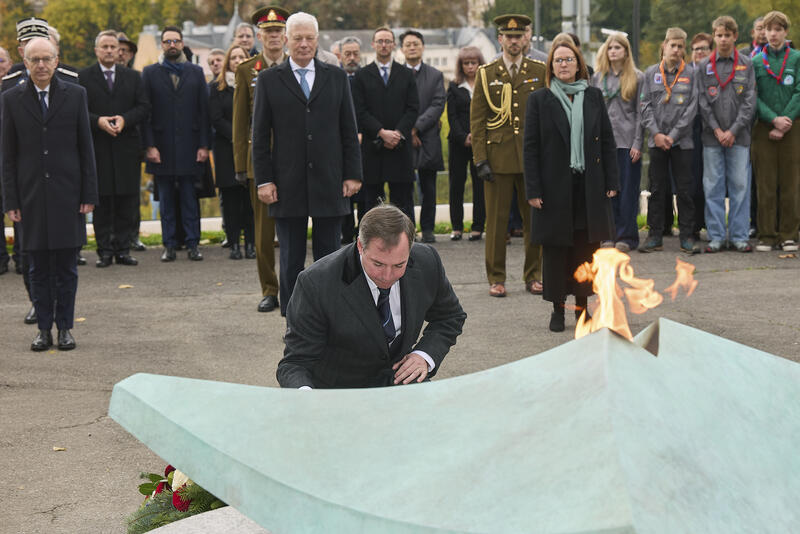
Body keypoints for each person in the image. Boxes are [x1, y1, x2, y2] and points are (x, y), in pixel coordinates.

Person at [276, 204, 466, 389]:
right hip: (338, 391)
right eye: (378, 264)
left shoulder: (427, 261)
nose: (387, 276)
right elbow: (295, 363)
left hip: (401, 380)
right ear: (360, 246)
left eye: (399, 265)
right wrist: (307, 399)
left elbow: (450, 316)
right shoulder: (316, 283)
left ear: (410, 249)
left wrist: (424, 355)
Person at [252, 12, 362, 316]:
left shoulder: (336, 76)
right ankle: (295, 320)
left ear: (317, 40)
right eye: (297, 38)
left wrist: (353, 174)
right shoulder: (269, 79)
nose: (303, 44)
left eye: (309, 38)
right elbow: (259, 135)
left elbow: (348, 129)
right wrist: (264, 180)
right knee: (290, 259)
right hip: (286, 184)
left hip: (330, 180)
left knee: (330, 258)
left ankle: (331, 317)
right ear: (286, 40)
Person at [1, 37, 98, 350]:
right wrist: (11, 200)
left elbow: (86, 148)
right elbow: (7, 156)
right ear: (25, 63)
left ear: (56, 60)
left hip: (68, 196)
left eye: (46, 59)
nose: (41, 65)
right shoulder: (11, 99)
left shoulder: (76, 94)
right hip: (29, 198)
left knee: (67, 268)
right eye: (35, 60)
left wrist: (88, 194)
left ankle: (65, 328)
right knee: (37, 268)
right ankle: (43, 329)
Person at [525, 40, 619, 332]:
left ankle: (582, 309)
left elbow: (606, 140)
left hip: (587, 187)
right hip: (553, 189)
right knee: (555, 253)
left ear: (579, 64)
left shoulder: (593, 96)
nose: (563, 64)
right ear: (551, 67)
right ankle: (557, 310)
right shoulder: (539, 99)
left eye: (569, 59)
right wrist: (533, 190)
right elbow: (530, 148)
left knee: (585, 251)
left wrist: (612, 180)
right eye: (558, 60)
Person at [470, 14, 545, 298]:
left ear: (525, 38)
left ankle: (534, 275)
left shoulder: (539, 71)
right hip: (497, 157)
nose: (514, 41)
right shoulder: (486, 73)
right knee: (496, 223)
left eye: (518, 36)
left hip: (531, 159)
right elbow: (477, 121)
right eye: (508, 36)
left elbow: (546, 118)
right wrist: (480, 159)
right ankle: (496, 277)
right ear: (500, 39)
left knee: (534, 222)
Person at [78, 30, 150, 268]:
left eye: (113, 47)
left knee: (126, 201)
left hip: (126, 148)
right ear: (96, 50)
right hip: (97, 148)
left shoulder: (133, 77)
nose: (109, 51)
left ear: (119, 51)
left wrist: (124, 119)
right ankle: (105, 252)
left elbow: (143, 107)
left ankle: (123, 250)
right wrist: (98, 121)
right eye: (105, 47)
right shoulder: (83, 77)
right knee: (102, 202)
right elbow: (78, 110)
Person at [233, 5, 288, 313]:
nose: (274, 36)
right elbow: (240, 122)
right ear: (259, 36)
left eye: (278, 31)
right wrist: (241, 164)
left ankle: (295, 287)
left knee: (293, 229)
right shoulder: (247, 70)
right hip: (261, 162)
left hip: (293, 160)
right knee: (263, 233)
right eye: (268, 32)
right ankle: (269, 289)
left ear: (285, 35)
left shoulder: (297, 65)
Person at [142, 25, 211, 262]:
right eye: (167, 41)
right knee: (166, 200)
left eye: (176, 41)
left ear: (182, 44)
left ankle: (193, 244)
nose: (172, 45)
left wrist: (204, 145)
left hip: (190, 146)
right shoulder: (150, 73)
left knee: (190, 199)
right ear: (162, 45)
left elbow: (204, 111)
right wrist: (150, 146)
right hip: (161, 148)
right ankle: (169, 245)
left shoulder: (195, 72)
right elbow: (146, 113)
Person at [697, 16, 756, 253]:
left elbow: (750, 101)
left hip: (739, 137)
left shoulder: (746, 64)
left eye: (727, 35)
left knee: (740, 186)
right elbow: (702, 101)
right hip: (712, 137)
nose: (723, 39)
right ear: (714, 36)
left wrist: (732, 130)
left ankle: (739, 236)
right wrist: (717, 129)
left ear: (735, 37)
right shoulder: (704, 65)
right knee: (713, 187)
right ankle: (717, 236)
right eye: (719, 35)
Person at [639, 27, 701, 255]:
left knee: (685, 191)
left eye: (680, 46)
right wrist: (656, 133)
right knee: (657, 189)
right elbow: (644, 105)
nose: (676, 50)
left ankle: (687, 236)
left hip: (682, 142)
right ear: (664, 46)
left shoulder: (691, 74)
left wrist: (673, 135)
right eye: (672, 45)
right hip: (657, 142)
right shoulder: (650, 73)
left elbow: (692, 108)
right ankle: (655, 236)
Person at [351, 27, 419, 220]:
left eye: (387, 41)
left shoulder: (406, 74)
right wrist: (381, 132)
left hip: (400, 146)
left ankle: (407, 238)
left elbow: (413, 108)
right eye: (380, 41)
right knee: (372, 203)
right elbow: (359, 111)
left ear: (394, 45)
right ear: (373, 44)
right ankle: (370, 239)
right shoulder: (361, 75)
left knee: (403, 202)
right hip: (373, 148)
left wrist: (397, 133)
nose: (383, 45)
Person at [751, 11, 800, 252]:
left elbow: (799, 91)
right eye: (769, 29)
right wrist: (773, 119)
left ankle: (788, 234)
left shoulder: (797, 59)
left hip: (792, 127)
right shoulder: (756, 62)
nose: (773, 34)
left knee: (791, 184)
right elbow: (753, 96)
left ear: (785, 32)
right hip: (764, 128)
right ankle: (767, 235)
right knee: (766, 184)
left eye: (778, 29)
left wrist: (785, 120)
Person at [592, 33, 644, 253]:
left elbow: (641, 113)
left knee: (627, 191)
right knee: (606, 191)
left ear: (626, 51)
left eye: (617, 48)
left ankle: (627, 236)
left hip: (627, 142)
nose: (613, 51)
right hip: (605, 143)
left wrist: (638, 143)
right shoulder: (597, 77)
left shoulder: (637, 77)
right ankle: (608, 234)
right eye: (610, 48)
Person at [210, 45, 254, 260]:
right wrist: (238, 137)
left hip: (251, 148)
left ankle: (251, 244)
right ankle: (234, 243)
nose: (237, 61)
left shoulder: (255, 83)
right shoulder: (216, 88)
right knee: (230, 201)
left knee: (249, 201)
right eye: (233, 57)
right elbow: (216, 118)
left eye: (241, 57)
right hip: (226, 150)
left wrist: (248, 138)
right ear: (227, 62)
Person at [400, 29, 445, 243]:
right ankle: (407, 230)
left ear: (423, 47)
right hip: (401, 138)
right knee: (404, 188)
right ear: (401, 49)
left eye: (415, 44)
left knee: (429, 187)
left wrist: (416, 127)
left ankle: (428, 228)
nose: (412, 48)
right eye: (408, 44)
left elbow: (438, 104)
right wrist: (407, 130)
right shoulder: (397, 74)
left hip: (428, 136)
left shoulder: (435, 75)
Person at [447, 46, 485, 242]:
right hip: (458, 143)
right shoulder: (454, 86)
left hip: (481, 142)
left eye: (473, 63)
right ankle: (457, 227)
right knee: (456, 186)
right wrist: (464, 137)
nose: (470, 67)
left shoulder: (486, 84)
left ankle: (478, 227)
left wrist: (477, 136)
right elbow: (452, 116)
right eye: (466, 63)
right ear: (460, 66)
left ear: (480, 64)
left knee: (480, 186)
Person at [339, 35, 364, 244]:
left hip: (366, 144)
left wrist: (363, 132)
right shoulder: (335, 77)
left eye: (355, 53)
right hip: (340, 145)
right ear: (341, 55)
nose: (352, 58)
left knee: (365, 197)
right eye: (347, 54)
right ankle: (345, 235)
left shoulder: (367, 77)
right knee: (344, 194)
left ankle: (364, 234)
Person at [689, 32, 713, 241]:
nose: (699, 53)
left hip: (713, 129)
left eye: (704, 48)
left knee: (713, 181)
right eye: (696, 49)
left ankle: (713, 225)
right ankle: (694, 225)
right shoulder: (685, 72)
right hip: (691, 130)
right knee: (694, 180)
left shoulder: (715, 72)